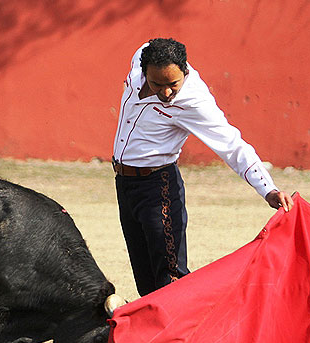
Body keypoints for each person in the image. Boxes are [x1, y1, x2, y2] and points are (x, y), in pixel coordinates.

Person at [112, 38, 293, 297]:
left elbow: (232, 145)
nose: (166, 92)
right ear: (143, 72)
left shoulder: (194, 101)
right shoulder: (140, 57)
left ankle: (185, 324)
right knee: (144, 276)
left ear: (185, 71)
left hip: (158, 187)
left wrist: (268, 189)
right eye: (157, 84)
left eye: (173, 84)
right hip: (124, 183)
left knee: (170, 277)